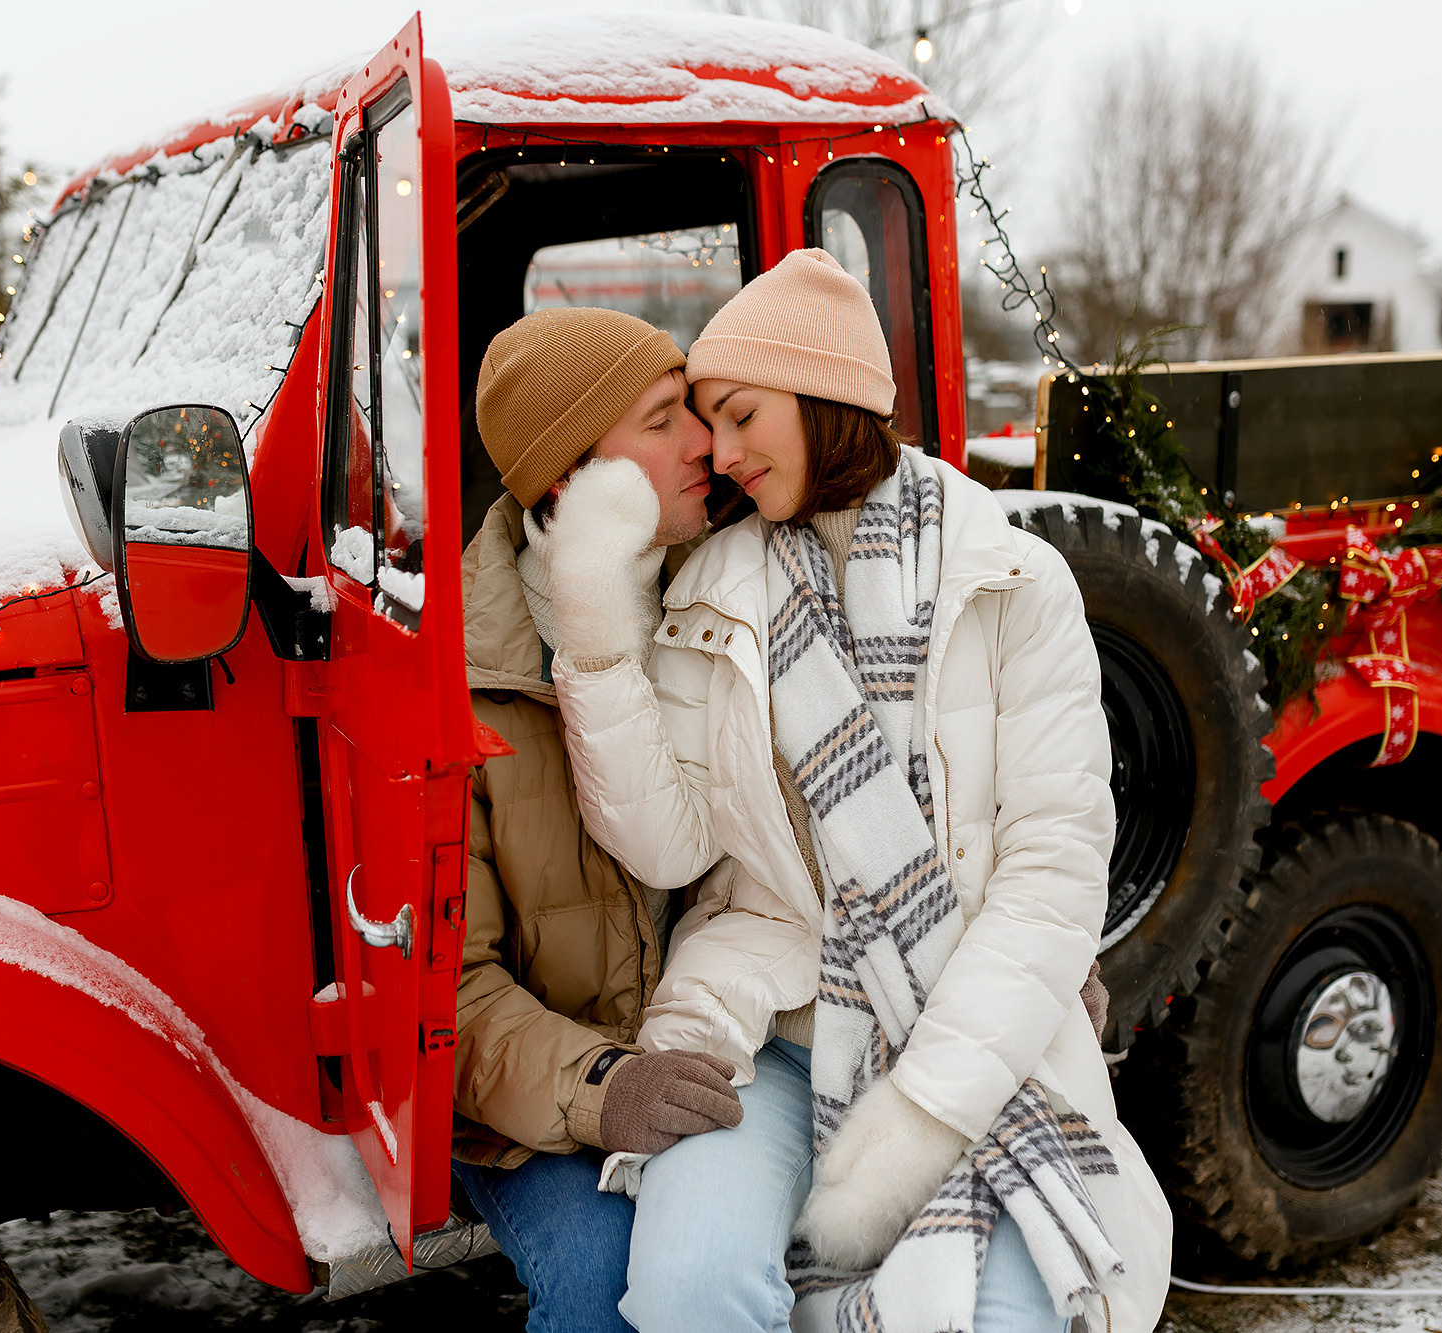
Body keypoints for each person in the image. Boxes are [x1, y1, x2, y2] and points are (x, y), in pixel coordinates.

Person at [540, 250, 1173, 1333]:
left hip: (971, 1036)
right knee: (688, 1290)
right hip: (761, 1035)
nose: (721, 454)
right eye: (703, 421)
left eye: (738, 415)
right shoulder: (712, 586)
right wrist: (597, 638)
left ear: (824, 396)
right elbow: (669, 847)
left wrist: (919, 1113)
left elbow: (1051, 868)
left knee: (1011, 1313)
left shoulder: (1011, 583)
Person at [452, 306, 748, 1333]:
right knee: (609, 1288)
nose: (705, 442)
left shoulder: (721, 594)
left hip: (725, 1040)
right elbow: (448, 993)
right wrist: (601, 1084)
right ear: (569, 481)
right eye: (664, 419)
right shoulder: (460, 683)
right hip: (538, 1107)